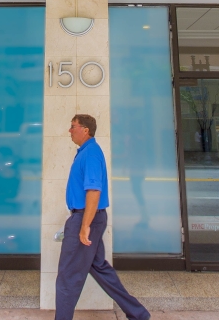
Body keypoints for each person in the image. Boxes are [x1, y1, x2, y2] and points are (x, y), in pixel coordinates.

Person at [56, 114, 150, 320]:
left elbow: (93, 191)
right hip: (89, 218)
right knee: (99, 268)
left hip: (85, 218)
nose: (69, 131)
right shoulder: (86, 152)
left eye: (73, 126)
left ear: (85, 130)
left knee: (68, 276)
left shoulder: (90, 154)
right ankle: (138, 313)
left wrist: (84, 226)